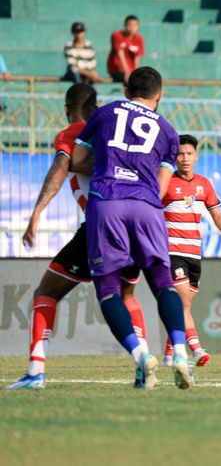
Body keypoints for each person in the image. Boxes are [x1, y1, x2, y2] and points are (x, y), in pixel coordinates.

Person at [5, 84, 145, 390]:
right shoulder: (118, 133)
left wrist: (37, 212)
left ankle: (35, 371)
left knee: (46, 292)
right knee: (127, 296)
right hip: (138, 224)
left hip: (101, 224)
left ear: (68, 109)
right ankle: (143, 359)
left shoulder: (74, 131)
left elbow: (60, 167)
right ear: (96, 106)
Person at [71, 67, 192, 390]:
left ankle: (141, 356)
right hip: (146, 206)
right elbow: (163, 186)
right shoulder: (167, 131)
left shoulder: (106, 112)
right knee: (162, 283)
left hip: (107, 200)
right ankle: (180, 354)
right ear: (160, 95)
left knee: (109, 290)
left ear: (126, 91)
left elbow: (78, 159)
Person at [161, 134, 221, 368]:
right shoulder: (166, 182)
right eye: (180, 154)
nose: (184, 158)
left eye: (189, 154)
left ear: (196, 156)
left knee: (183, 306)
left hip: (194, 254)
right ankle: (196, 350)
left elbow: (216, 215)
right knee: (182, 301)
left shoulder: (204, 184)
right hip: (171, 251)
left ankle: (168, 354)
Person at [107, 15, 144, 84]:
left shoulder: (139, 39)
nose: (132, 28)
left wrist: (136, 74)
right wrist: (127, 72)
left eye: (135, 25)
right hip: (117, 70)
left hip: (131, 71)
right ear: (125, 25)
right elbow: (120, 54)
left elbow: (137, 60)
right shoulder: (117, 35)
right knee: (129, 81)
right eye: (129, 25)